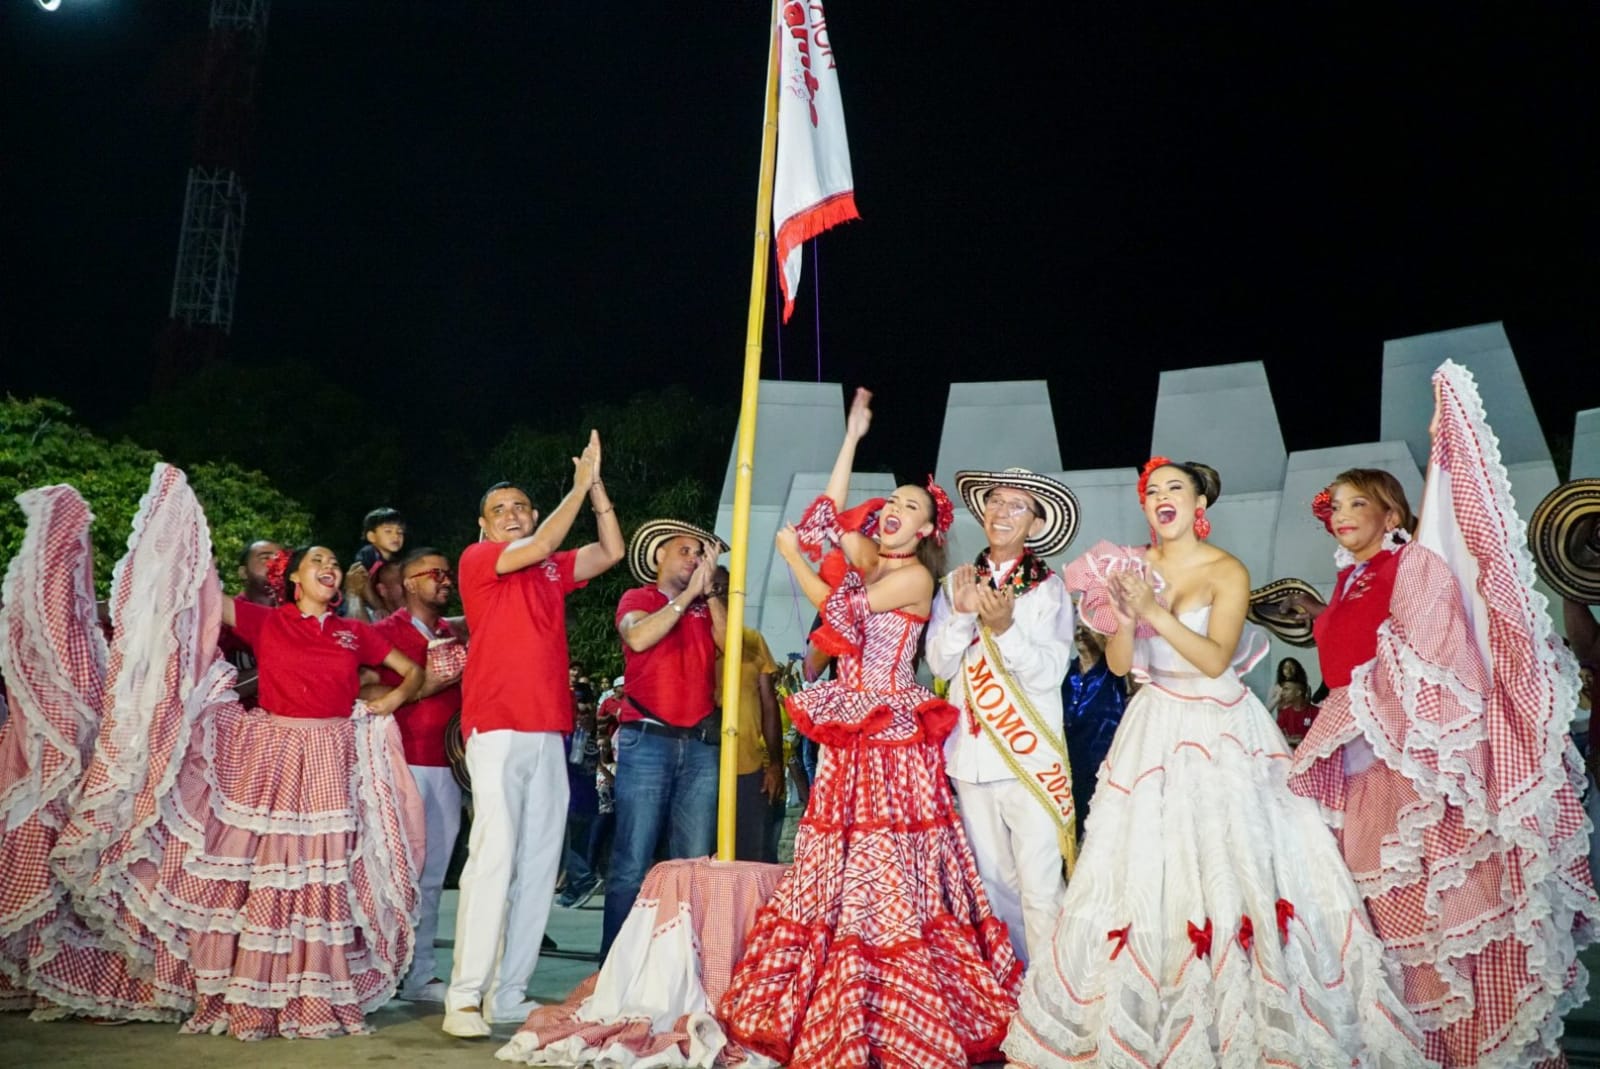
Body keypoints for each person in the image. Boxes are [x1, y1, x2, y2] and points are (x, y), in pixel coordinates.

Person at [1002, 457, 1425, 1068]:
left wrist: (1152, 611)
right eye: (1152, 491)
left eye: (1175, 488)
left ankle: (1261, 1014)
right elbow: (1120, 667)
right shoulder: (1128, 568)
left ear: (1200, 505)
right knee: (1152, 874)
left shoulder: (1227, 569)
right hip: (1152, 729)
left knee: (1240, 866)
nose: (1161, 497)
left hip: (1223, 728)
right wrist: (1122, 615)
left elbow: (1213, 658)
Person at [1285, 362, 1597, 1069]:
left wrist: (1444, 443)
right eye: (1333, 505)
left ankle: (1465, 1047)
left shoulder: (1411, 565)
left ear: (1390, 513)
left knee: (1429, 913)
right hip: (1356, 756)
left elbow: (1430, 648)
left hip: (1400, 760)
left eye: (1352, 503)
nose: (1339, 514)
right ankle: (1407, 1047)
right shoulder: (1349, 578)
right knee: (1376, 919)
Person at [721, 387, 1020, 1069]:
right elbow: (825, 521)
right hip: (850, 732)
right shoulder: (873, 557)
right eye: (893, 502)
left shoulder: (913, 577)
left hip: (890, 736)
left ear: (926, 533)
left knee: (885, 872)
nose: (895, 511)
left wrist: (792, 557)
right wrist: (852, 437)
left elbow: (838, 607)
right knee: (835, 866)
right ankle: (837, 991)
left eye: (912, 508)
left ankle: (899, 1005)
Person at [443, 431, 623, 1038]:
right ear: (482, 525)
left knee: (541, 861)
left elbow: (610, 551)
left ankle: (509, 993)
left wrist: (595, 491)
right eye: (502, 510)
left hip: (548, 729)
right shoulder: (478, 560)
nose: (514, 516)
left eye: (521, 507)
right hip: (495, 726)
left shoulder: (549, 568)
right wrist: (576, 484)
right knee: (493, 857)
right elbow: (546, 539)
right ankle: (464, 997)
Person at [926, 466, 1079, 969]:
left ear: (1035, 524)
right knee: (994, 888)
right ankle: (1018, 986)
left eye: (1017, 506)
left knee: (1039, 884)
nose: (1001, 513)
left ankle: (1055, 996)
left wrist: (1007, 627)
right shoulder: (956, 583)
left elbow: (1051, 672)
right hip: (969, 758)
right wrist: (967, 613)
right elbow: (939, 664)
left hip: (1026, 758)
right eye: (995, 502)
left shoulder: (1047, 587)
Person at [601, 518, 727, 957]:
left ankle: (678, 964)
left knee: (692, 863)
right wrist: (689, 596)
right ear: (659, 556)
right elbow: (637, 637)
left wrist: (708, 595)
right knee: (632, 861)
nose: (694, 559)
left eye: (700, 554)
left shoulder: (706, 605)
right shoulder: (640, 598)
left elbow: (731, 647)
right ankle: (612, 968)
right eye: (685, 551)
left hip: (699, 744)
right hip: (648, 738)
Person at [369, 546, 467, 1004]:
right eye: (436, 574)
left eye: (448, 573)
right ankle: (380, 971)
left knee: (433, 877)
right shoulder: (385, 631)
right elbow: (366, 688)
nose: (445, 580)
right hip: (399, 764)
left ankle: (421, 973)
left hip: (446, 767)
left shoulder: (453, 631)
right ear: (409, 583)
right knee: (391, 874)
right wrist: (432, 680)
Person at [712, 567, 786, 863]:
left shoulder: (753, 640)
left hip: (748, 767)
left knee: (751, 857)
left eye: (725, 588)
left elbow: (770, 705)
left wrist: (776, 764)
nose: (719, 594)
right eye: (713, 588)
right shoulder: (692, 638)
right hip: (703, 767)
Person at [1060, 623, 1127, 827]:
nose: (1081, 633)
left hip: (1102, 770)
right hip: (1066, 768)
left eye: (1089, 628)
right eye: (1078, 628)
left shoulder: (1116, 674)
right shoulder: (1064, 671)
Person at [1274, 678, 1319, 746]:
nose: (1283, 693)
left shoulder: (1317, 712)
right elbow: (1274, 735)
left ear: (1298, 692)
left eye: (1286, 689)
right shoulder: (1284, 714)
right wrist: (1289, 740)